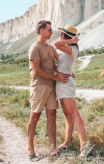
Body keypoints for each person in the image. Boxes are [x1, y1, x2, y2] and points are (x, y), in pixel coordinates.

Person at [26, 20, 70, 162]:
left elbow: (54, 66)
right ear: (41, 31)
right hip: (38, 86)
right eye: (49, 30)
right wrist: (56, 77)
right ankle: (30, 149)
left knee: (52, 116)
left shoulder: (50, 48)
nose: (52, 32)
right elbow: (37, 70)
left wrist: (65, 74)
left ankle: (53, 149)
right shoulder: (35, 47)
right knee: (35, 117)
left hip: (51, 85)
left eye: (51, 30)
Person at [53, 25, 93, 157]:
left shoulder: (72, 48)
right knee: (68, 115)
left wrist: (72, 40)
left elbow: (55, 43)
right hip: (62, 83)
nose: (60, 36)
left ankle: (84, 145)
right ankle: (67, 141)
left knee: (75, 114)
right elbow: (62, 64)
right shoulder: (68, 49)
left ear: (66, 36)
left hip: (66, 84)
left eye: (62, 34)